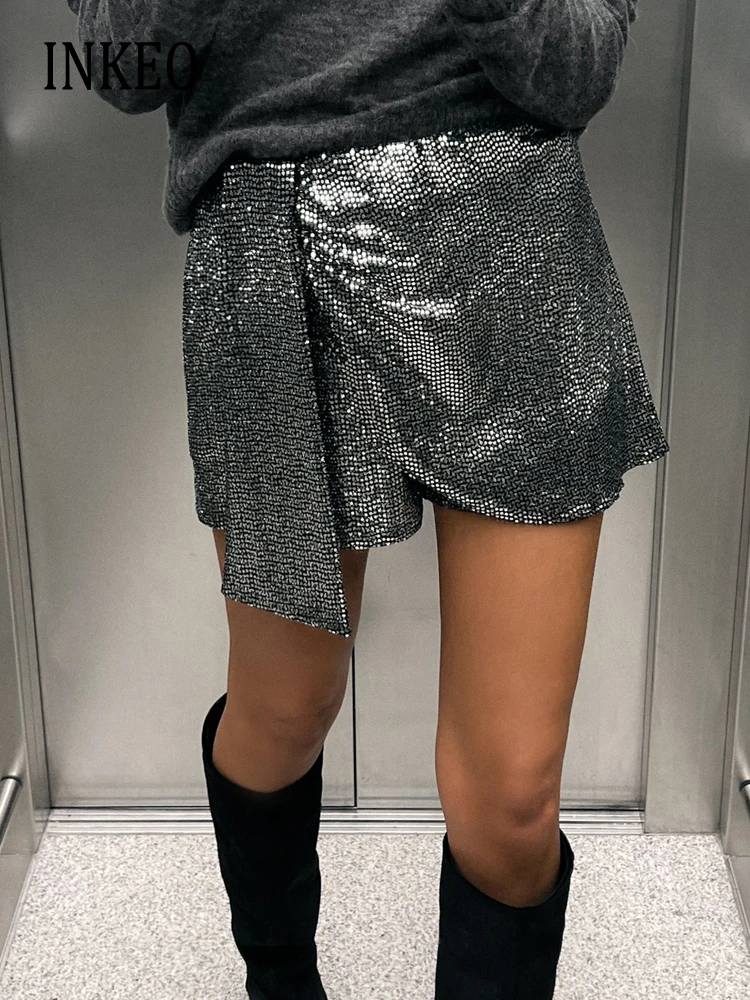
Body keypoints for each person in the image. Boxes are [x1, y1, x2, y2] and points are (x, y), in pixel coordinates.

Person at [64, 1, 668, 997]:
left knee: (513, 799)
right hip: (272, 252)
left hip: (512, 242)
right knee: (284, 709)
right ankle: (278, 982)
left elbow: (578, 71)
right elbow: (118, 63)